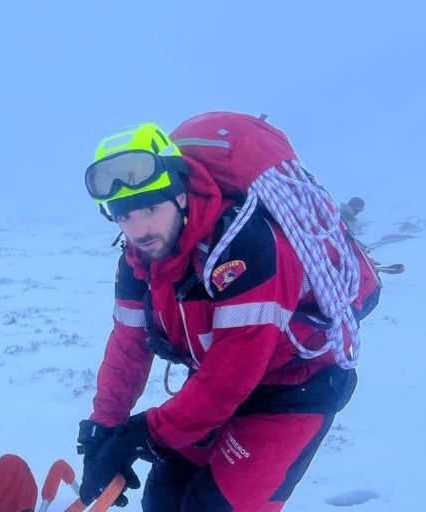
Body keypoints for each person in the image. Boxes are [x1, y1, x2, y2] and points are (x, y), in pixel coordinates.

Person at [76, 123, 358, 511]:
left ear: (180, 194)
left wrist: (143, 434)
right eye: (125, 217)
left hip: (293, 386)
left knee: (210, 507)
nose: (139, 230)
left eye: (149, 209)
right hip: (216, 384)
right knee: (163, 497)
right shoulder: (140, 260)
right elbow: (128, 348)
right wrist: (104, 430)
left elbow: (232, 375)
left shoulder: (243, 246)